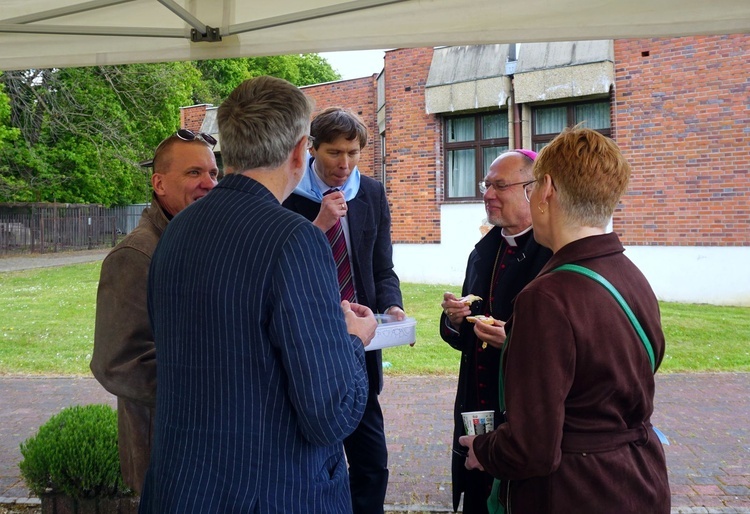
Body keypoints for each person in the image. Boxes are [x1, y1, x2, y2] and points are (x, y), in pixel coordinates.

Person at [139, 76, 377, 514]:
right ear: (299, 151)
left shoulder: (177, 229)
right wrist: (354, 339)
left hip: (181, 489)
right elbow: (328, 413)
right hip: (272, 491)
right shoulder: (293, 238)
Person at [460, 127, 671, 513]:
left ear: (548, 190)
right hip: (639, 480)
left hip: (576, 491)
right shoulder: (630, 274)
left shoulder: (546, 297)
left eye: (533, 185)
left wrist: (484, 449)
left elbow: (532, 449)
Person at [282, 107, 404, 514]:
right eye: (335, 153)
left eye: (353, 153)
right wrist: (320, 220)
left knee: (372, 458)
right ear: (312, 149)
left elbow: (381, 267)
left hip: (361, 344)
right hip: (309, 342)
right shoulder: (287, 193)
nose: (344, 164)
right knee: (317, 457)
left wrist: (392, 304)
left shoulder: (370, 192)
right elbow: (281, 264)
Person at [90, 129, 219, 494]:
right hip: (165, 452)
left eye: (212, 173)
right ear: (159, 183)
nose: (208, 183)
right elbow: (119, 362)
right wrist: (210, 391)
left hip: (210, 448)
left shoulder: (199, 238)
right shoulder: (136, 255)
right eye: (194, 173)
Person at [439, 149, 552, 513]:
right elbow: (467, 334)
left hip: (523, 414)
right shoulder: (483, 251)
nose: (488, 194)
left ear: (531, 190)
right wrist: (456, 319)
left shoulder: (552, 255)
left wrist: (514, 341)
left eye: (500, 185)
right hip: (477, 401)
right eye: (487, 184)